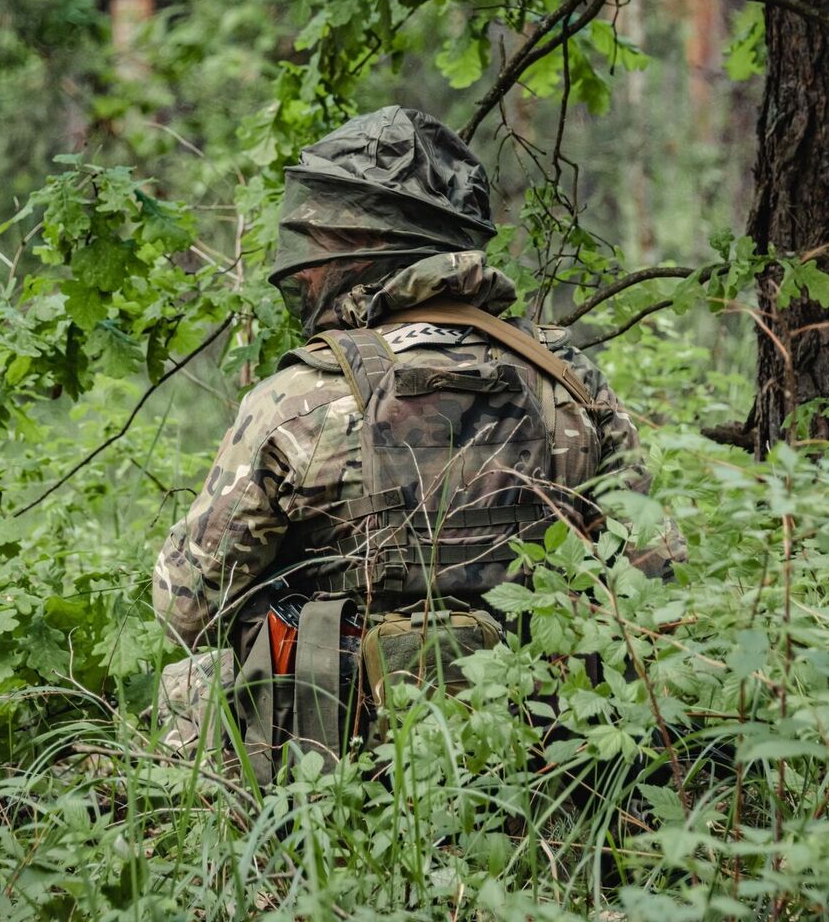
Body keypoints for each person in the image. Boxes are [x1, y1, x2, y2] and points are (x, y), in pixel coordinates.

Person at [151, 106, 684, 782]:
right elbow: (650, 579)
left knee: (193, 681)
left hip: (337, 771)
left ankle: (257, 870)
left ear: (356, 250)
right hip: (542, 759)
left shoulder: (299, 398)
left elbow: (186, 605)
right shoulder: (570, 381)